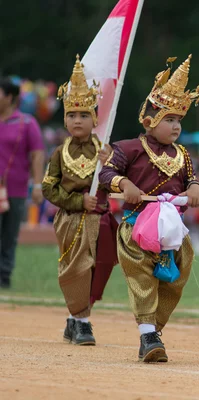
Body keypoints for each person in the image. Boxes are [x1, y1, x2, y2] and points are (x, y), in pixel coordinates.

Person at [99, 55, 199, 363]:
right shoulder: (128, 148)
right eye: (169, 120)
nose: (176, 126)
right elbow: (105, 174)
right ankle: (148, 336)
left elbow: (191, 180)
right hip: (138, 226)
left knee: (177, 276)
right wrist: (123, 184)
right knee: (142, 277)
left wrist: (195, 189)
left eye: (179, 121)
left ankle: (152, 330)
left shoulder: (183, 154)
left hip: (173, 230)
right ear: (150, 121)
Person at [42, 55, 117, 345]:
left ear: (95, 118)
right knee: (78, 267)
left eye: (84, 115)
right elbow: (49, 189)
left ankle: (75, 319)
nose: (78, 120)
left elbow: (113, 183)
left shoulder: (105, 150)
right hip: (71, 220)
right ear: (64, 118)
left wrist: (109, 166)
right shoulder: (59, 154)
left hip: (101, 220)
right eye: (72, 115)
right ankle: (83, 323)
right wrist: (77, 202)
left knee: (99, 266)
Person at [0, 78, 45, 288]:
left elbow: (37, 154)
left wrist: (37, 185)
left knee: (9, 234)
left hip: (15, 189)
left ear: (9, 97)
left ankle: (4, 276)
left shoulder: (26, 123)